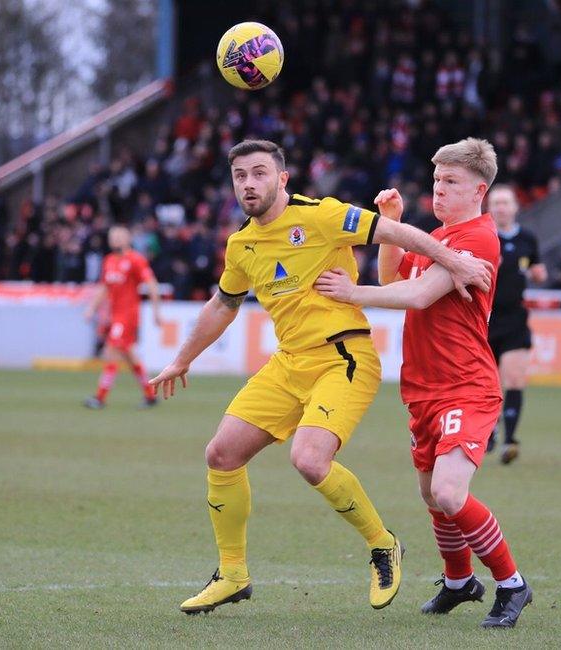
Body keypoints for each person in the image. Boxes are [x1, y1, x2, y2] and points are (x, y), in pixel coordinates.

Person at [149, 139, 493, 615]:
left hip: (343, 358)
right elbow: (224, 304)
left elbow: (398, 234)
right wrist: (182, 358)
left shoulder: (323, 215)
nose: (249, 184)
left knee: (309, 460)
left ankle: (382, 545)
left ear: (282, 179)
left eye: (259, 173)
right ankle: (232, 575)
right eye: (240, 176)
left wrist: (453, 260)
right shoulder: (241, 244)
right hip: (289, 362)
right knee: (221, 454)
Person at [315, 138, 532, 629]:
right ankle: (459, 582)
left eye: (450, 182)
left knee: (452, 494)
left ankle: (512, 584)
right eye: (436, 181)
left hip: (465, 384)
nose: (439, 190)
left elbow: (416, 296)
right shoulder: (440, 236)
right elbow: (395, 278)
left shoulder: (478, 236)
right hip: (422, 386)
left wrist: (350, 292)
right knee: (433, 496)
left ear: (479, 190)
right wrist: (391, 225)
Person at [485, 185, 546, 464]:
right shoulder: (482, 236)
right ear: (488, 206)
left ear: (515, 207)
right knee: (487, 384)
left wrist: (538, 273)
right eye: (496, 202)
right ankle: (488, 433)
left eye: (505, 202)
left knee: (515, 380)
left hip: (514, 320)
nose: (500, 207)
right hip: (483, 319)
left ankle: (509, 440)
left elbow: (537, 268)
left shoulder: (528, 239)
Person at [83, 226, 163, 409]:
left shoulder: (135, 259)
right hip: (116, 315)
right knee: (129, 356)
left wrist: (156, 311)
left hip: (128, 315)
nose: (115, 239)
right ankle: (150, 395)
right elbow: (104, 288)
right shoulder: (109, 260)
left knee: (111, 351)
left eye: (119, 236)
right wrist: (91, 308)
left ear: (128, 239)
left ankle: (100, 397)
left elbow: (151, 284)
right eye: (112, 236)